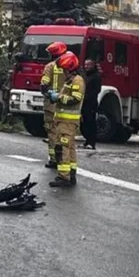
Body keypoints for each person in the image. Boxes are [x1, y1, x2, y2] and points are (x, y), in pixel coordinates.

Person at [49, 52, 84, 188]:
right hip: (63, 121)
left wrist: (58, 97)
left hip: (68, 122)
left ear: (70, 68)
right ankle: (71, 173)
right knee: (69, 147)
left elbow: (75, 98)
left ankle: (64, 177)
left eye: (64, 69)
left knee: (63, 147)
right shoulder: (70, 80)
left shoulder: (77, 81)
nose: (63, 71)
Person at [39, 41, 68, 169]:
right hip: (66, 105)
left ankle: (53, 159)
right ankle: (65, 159)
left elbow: (44, 85)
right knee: (65, 134)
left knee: (52, 132)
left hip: (51, 105)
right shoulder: (69, 66)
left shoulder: (50, 66)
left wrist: (47, 93)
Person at [80, 58, 102, 149]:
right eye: (85, 65)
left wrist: (87, 97)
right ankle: (86, 141)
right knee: (84, 122)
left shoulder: (96, 76)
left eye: (88, 65)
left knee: (91, 123)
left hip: (91, 104)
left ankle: (91, 142)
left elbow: (97, 90)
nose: (86, 67)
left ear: (93, 65)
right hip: (83, 103)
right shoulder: (84, 75)